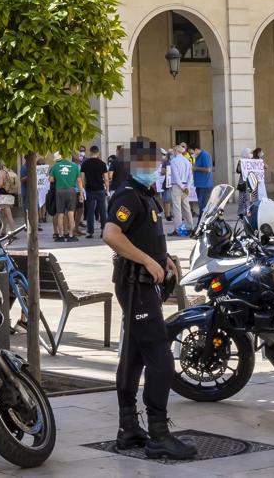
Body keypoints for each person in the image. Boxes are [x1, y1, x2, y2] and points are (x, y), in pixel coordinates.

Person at [104, 139, 196, 460]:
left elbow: (142, 233)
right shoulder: (128, 194)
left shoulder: (145, 193)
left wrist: (163, 257)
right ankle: (159, 434)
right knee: (160, 357)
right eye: (147, 162)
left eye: (156, 162)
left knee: (133, 355)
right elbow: (111, 234)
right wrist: (146, 260)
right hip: (135, 285)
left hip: (143, 285)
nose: (153, 167)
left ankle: (128, 428)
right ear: (133, 164)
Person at [50, 152, 82, 242]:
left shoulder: (56, 166)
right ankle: (71, 235)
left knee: (60, 214)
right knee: (71, 214)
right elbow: (79, 181)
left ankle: (60, 235)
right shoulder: (75, 166)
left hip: (59, 191)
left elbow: (51, 179)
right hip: (72, 191)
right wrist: (81, 195)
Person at [80, 146, 110, 238]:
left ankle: (90, 232)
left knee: (90, 211)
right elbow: (106, 178)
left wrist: (83, 189)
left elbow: (82, 178)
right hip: (100, 189)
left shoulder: (85, 163)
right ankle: (103, 231)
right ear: (98, 153)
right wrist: (107, 189)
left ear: (90, 152)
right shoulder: (102, 164)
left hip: (90, 190)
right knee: (103, 211)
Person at [167, 143, 194, 234]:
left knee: (177, 208)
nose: (173, 152)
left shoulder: (174, 161)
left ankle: (178, 229)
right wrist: (187, 186)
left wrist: (182, 187)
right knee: (186, 207)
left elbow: (176, 175)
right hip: (186, 185)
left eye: (174, 150)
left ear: (176, 151)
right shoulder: (187, 161)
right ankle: (191, 227)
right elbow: (191, 176)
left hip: (177, 186)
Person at [237, 147, 267, 219]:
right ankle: (242, 213)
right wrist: (241, 165)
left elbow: (260, 168)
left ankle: (250, 212)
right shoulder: (241, 161)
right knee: (242, 198)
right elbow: (238, 170)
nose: (250, 154)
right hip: (243, 183)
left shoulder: (253, 161)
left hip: (250, 182)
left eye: (251, 153)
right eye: (249, 153)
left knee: (250, 198)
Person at [0, 162, 19, 231]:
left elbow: (0, 184)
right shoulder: (11, 171)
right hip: (10, 194)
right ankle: (3, 231)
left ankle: (13, 231)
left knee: (8, 215)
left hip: (3, 195)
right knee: (3, 214)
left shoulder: (1, 172)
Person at [191, 145, 214, 213]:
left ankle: (203, 221)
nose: (191, 154)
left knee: (203, 205)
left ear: (195, 149)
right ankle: (201, 221)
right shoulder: (198, 156)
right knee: (201, 205)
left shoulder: (204, 155)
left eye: (191, 152)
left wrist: (195, 168)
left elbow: (208, 169)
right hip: (199, 184)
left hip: (205, 185)